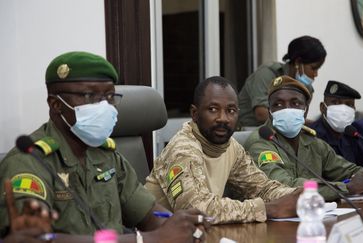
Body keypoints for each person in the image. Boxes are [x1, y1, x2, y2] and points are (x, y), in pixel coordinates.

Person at [0, 51, 209, 242]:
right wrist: (145, 240)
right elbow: (29, 239)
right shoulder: (30, 161)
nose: (104, 106)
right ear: (56, 104)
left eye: (109, 97)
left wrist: (180, 226)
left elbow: (149, 213)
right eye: (91, 96)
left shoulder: (107, 156)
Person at [145, 76, 302, 224]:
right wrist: (269, 209)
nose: (223, 118)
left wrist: (296, 197)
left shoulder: (231, 147)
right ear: (195, 114)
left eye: (231, 110)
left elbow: (261, 188)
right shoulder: (182, 149)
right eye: (213, 109)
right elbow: (196, 209)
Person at [244, 76, 363, 201]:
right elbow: (284, 185)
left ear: (306, 109)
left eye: (295, 103)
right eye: (278, 105)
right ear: (270, 111)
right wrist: (346, 187)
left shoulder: (311, 140)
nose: (287, 109)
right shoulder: (261, 141)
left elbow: (346, 169)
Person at [238, 35, 326, 127]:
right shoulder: (266, 74)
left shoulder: (307, 88)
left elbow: (300, 117)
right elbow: (261, 114)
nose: (316, 74)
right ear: (298, 62)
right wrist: (309, 123)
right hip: (249, 130)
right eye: (313, 68)